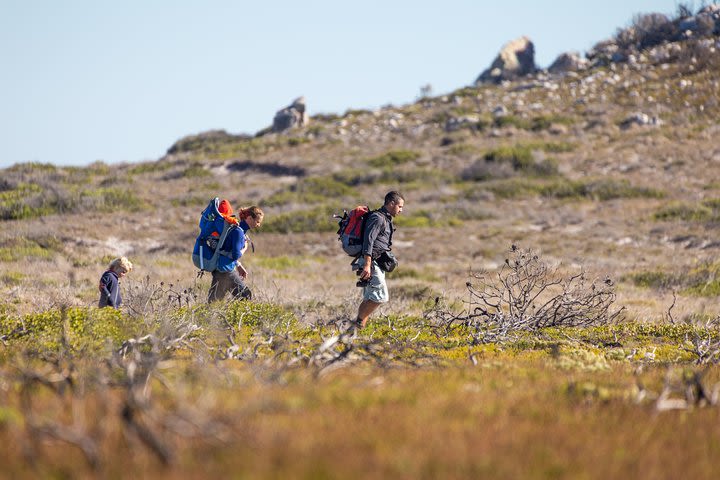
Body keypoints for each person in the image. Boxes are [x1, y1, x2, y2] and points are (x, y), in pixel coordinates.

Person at [353, 191, 405, 329]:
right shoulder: (378, 218)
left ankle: (357, 330)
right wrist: (367, 265)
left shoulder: (385, 219)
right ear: (391, 203)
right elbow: (368, 242)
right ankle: (356, 325)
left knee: (370, 297)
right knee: (380, 297)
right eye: (400, 206)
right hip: (370, 262)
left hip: (374, 263)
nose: (401, 210)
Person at [208, 202, 264, 302]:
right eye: (257, 221)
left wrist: (238, 265)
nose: (258, 225)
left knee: (213, 303)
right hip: (226, 270)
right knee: (246, 296)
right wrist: (245, 247)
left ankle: (205, 317)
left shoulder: (236, 229)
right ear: (250, 218)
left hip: (220, 269)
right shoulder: (238, 231)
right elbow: (235, 254)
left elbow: (226, 250)